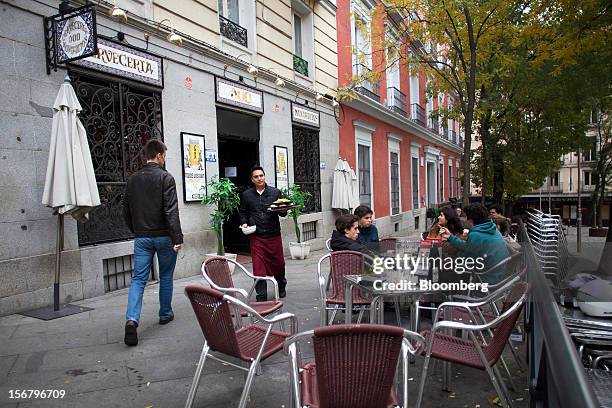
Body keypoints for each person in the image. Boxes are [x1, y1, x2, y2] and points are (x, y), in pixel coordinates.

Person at [123, 140, 183, 347]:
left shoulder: (132, 180)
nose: (165, 159)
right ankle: (165, 313)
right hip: (164, 236)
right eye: (165, 155)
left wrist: (136, 230)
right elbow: (171, 211)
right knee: (166, 275)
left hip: (142, 237)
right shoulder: (166, 178)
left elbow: (126, 211)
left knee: (138, 278)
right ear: (158, 155)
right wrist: (177, 238)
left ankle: (132, 319)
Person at [239, 166, 287, 302]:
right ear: (252, 179)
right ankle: (261, 295)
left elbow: (282, 212)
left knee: (278, 264)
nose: (259, 178)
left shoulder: (275, 192)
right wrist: (244, 222)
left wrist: (284, 209)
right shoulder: (247, 195)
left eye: (261, 175)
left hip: (273, 234)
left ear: (264, 176)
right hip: (257, 236)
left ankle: (281, 285)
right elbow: (243, 211)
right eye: (256, 177)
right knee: (258, 266)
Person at [439, 203, 510, 283]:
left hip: (486, 278)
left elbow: (465, 258)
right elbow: (468, 247)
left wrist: (449, 256)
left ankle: (445, 293)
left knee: (444, 266)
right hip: (498, 274)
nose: (465, 220)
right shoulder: (491, 228)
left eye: (466, 217)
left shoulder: (476, 235)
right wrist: (451, 237)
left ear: (471, 220)